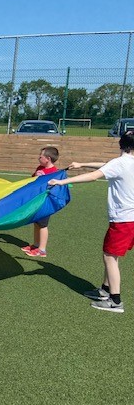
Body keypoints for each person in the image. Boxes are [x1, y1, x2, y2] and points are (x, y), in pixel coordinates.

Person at [48, 132, 134, 313]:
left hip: (123, 220)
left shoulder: (120, 163)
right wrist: (82, 164)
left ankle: (115, 301)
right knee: (112, 254)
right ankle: (105, 290)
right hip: (129, 219)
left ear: (121, 144)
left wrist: (62, 182)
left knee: (110, 257)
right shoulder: (126, 162)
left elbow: (94, 176)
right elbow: (106, 165)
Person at [21, 146, 59, 258]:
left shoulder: (54, 172)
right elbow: (33, 179)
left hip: (45, 202)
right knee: (36, 222)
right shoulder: (40, 168)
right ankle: (36, 245)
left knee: (43, 225)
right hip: (36, 201)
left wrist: (45, 179)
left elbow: (54, 186)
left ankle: (42, 250)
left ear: (47, 158)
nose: (38, 158)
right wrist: (36, 176)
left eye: (40, 156)